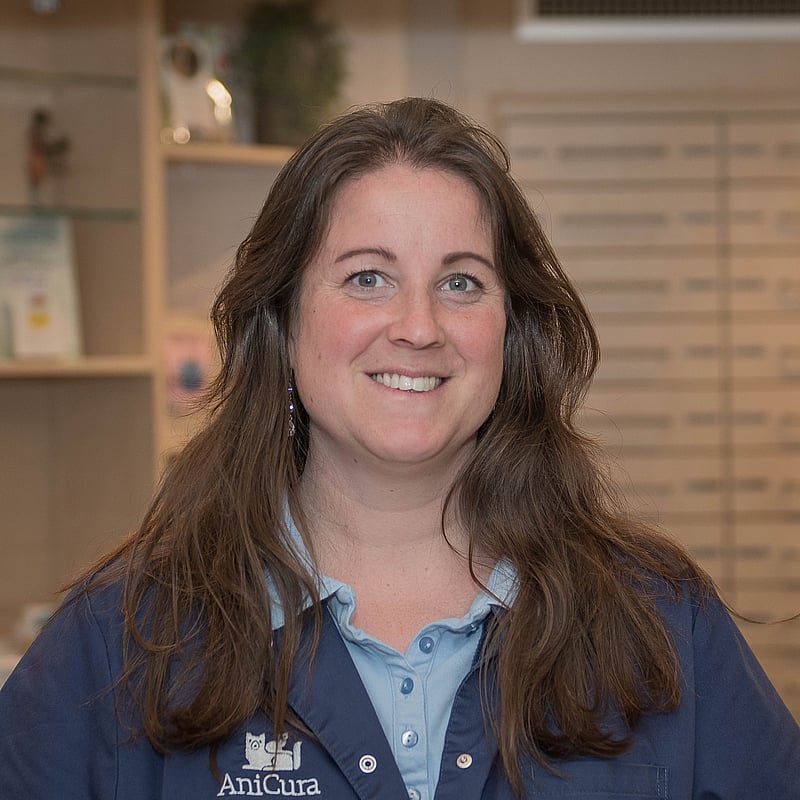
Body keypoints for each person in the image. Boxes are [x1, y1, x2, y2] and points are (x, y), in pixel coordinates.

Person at [0, 97, 798, 799]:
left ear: (511, 331)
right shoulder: (119, 641)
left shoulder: (662, 623)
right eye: (367, 278)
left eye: (461, 282)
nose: (419, 327)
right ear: (283, 321)